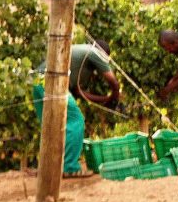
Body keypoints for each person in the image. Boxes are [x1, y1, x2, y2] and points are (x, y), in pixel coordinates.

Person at [32, 41, 119, 177]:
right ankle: (69, 168)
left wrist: (105, 100)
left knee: (51, 126)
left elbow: (80, 93)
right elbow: (113, 81)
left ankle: (47, 168)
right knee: (76, 120)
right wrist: (115, 97)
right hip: (54, 81)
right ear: (104, 54)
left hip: (38, 83)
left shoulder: (80, 56)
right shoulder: (95, 52)